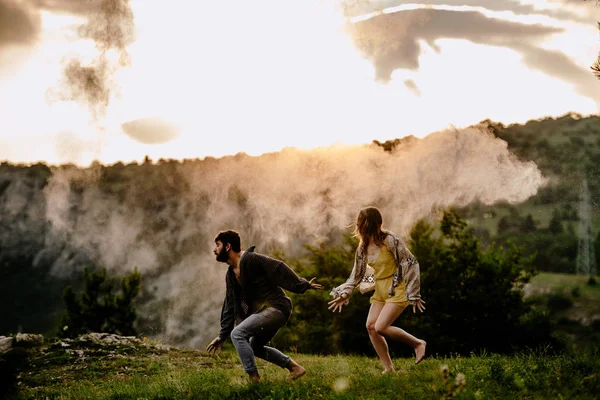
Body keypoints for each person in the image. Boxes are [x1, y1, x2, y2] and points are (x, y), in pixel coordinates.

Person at [206, 230, 323, 383]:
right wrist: (222, 335)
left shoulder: (250, 259)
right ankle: (295, 368)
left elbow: (277, 267)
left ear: (227, 246)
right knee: (254, 346)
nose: (215, 250)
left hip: (277, 306)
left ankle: (254, 379)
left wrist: (302, 285)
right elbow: (230, 305)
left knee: (238, 334)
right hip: (268, 311)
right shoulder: (230, 274)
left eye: (218, 245)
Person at [328, 206, 427, 373]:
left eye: (364, 222)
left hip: (397, 288)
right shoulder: (362, 248)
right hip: (380, 289)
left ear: (374, 223)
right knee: (371, 327)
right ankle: (389, 368)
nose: (361, 226)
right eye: (360, 222)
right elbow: (357, 275)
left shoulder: (390, 240)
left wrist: (413, 293)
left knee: (381, 326)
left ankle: (418, 343)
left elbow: (410, 262)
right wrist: (344, 293)